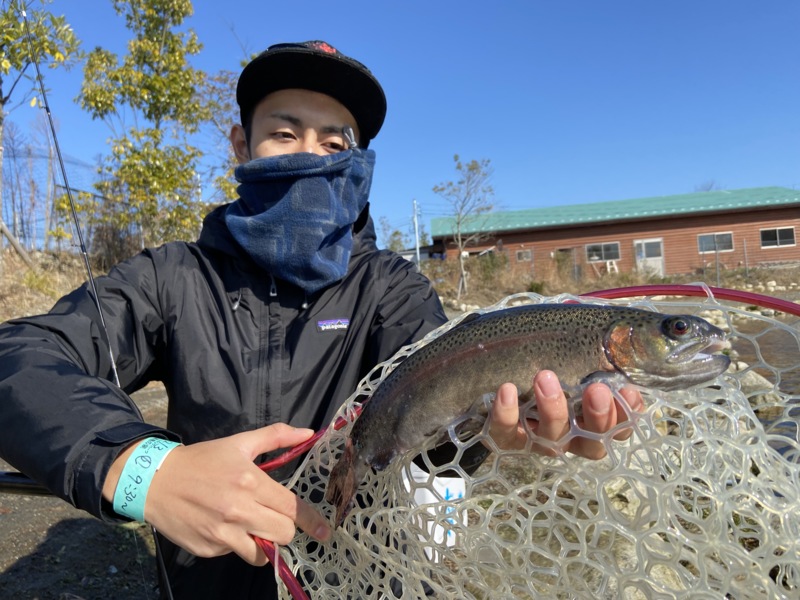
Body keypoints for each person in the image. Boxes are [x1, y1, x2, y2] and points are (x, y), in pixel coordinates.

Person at [0, 41, 640, 599]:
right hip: (206, 580)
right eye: (285, 134)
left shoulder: (391, 289)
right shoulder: (171, 278)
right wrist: (142, 468)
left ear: (359, 170)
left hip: (361, 576)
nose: (311, 155)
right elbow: (21, 358)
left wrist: (500, 430)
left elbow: (440, 418)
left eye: (336, 143)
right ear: (240, 146)